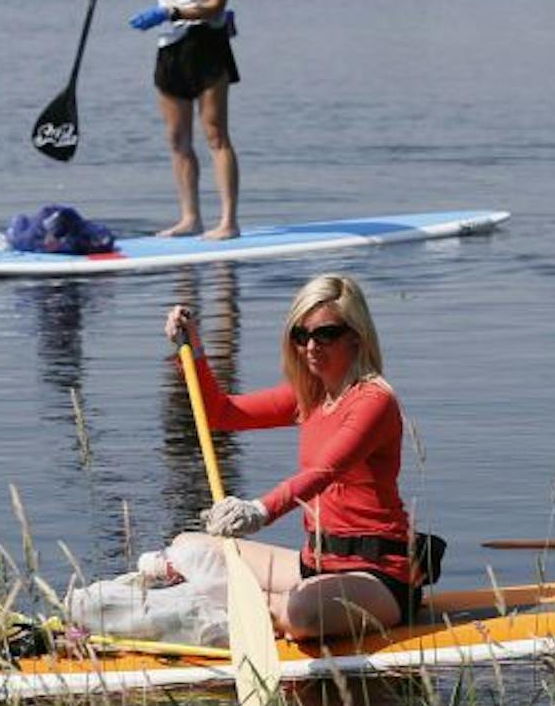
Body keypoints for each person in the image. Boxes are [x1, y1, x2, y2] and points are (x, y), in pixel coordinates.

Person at [162, 274, 423, 642]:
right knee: (186, 548)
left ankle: (218, 603)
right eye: (302, 336)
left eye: (326, 334)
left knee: (300, 613)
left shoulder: (374, 401)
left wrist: (258, 511)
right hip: (312, 565)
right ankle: (228, 600)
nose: (312, 346)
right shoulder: (310, 396)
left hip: (378, 576)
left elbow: (325, 470)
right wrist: (194, 353)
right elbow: (220, 414)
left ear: (356, 334)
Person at [98, 0, 241, 240]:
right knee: (178, 139)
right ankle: (189, 218)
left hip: (208, 42)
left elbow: (214, 6)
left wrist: (169, 13)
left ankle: (228, 222)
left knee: (215, 134)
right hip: (170, 48)